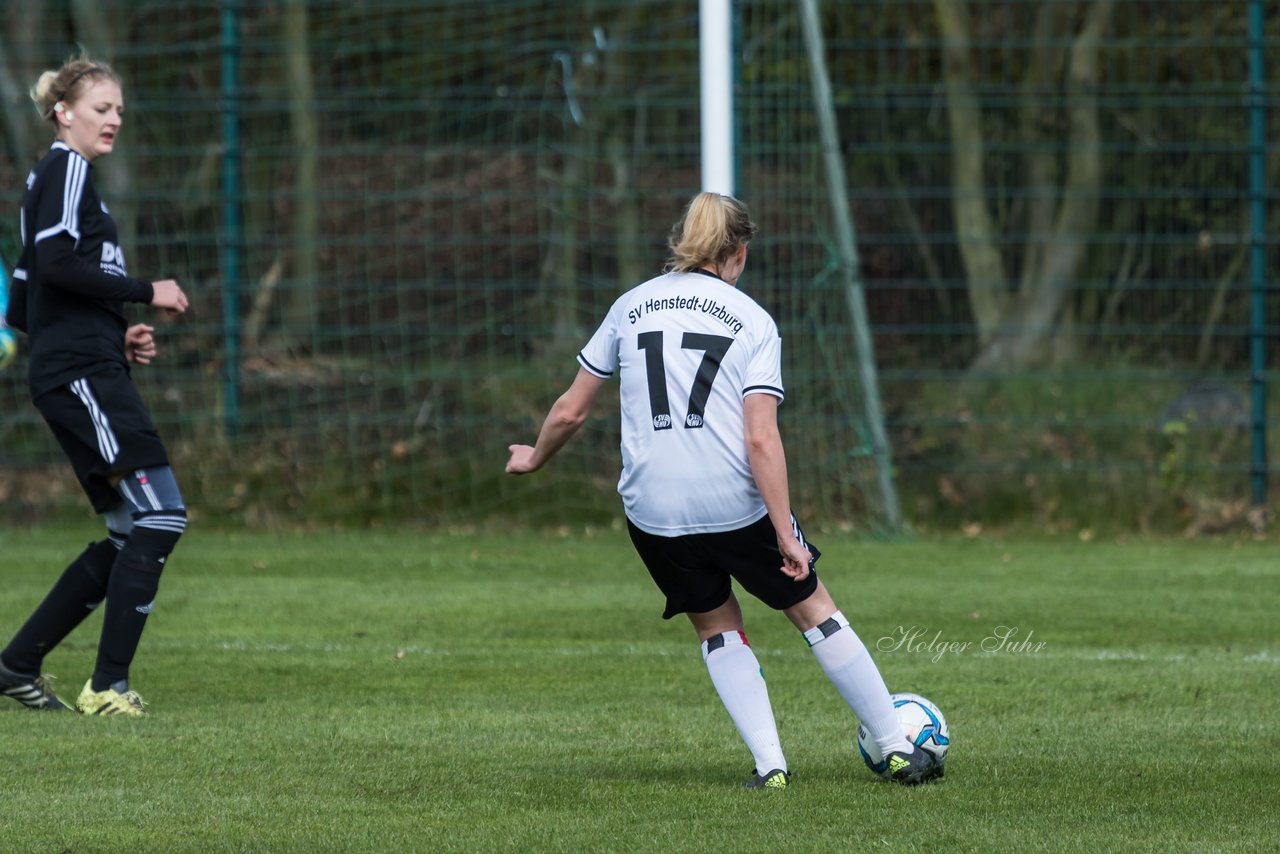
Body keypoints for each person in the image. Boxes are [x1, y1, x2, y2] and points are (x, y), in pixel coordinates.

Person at [506, 191, 941, 788]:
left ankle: (771, 768)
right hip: (732, 505)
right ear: (737, 253)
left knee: (717, 626)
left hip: (653, 511)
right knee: (814, 610)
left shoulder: (630, 307)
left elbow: (571, 412)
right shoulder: (753, 321)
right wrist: (787, 534)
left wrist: (534, 457)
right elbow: (760, 440)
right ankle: (896, 746)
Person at [0, 54, 190, 716]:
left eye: (119, 112)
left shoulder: (57, 181)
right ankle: (106, 688)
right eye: (102, 108)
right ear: (64, 113)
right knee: (161, 516)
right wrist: (146, 292)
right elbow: (54, 264)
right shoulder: (68, 168)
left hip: (80, 367)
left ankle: (17, 665)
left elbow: (23, 307)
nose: (114, 121)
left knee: (127, 531)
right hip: (80, 375)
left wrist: (117, 333)